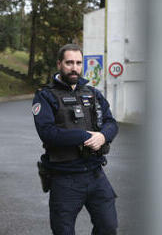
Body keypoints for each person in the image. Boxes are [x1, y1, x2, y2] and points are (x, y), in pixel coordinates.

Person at [32, 44, 119, 235]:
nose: (74, 67)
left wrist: (103, 136)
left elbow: (111, 122)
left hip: (96, 174)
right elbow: (48, 133)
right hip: (65, 178)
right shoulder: (45, 96)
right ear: (59, 64)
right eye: (69, 62)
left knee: (108, 227)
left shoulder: (93, 94)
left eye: (78, 63)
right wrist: (86, 136)